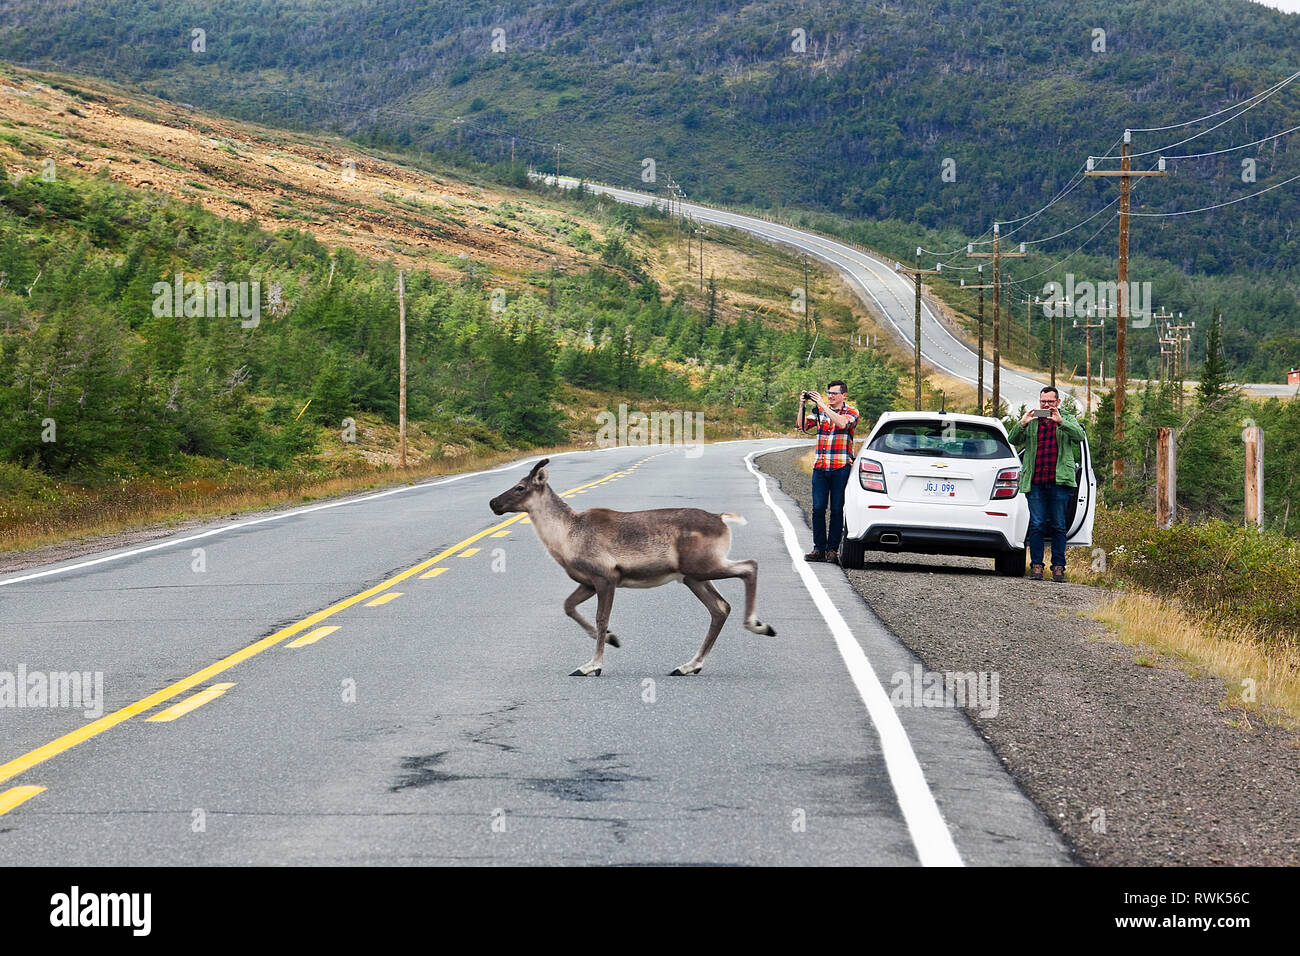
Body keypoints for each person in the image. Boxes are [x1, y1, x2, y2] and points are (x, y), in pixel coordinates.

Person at [1007, 386, 1086, 582]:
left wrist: (1061, 422)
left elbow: (1079, 436)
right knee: (1037, 524)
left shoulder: (1066, 419)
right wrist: (1022, 424)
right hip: (1035, 482)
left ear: (1058, 402)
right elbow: (1012, 439)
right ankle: (1036, 566)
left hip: (1060, 482)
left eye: (1050, 402)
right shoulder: (1032, 419)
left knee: (1059, 526)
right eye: (1043, 401)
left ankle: (1058, 567)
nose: (1046, 405)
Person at [796, 380, 859, 564]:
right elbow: (801, 426)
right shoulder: (819, 412)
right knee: (817, 509)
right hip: (821, 468)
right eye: (828, 393)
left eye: (834, 393)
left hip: (841, 467)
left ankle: (832, 550)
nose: (830, 396)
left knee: (837, 510)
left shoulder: (851, 412)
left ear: (843, 395)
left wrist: (822, 405)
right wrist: (802, 405)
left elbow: (842, 424)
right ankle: (819, 548)